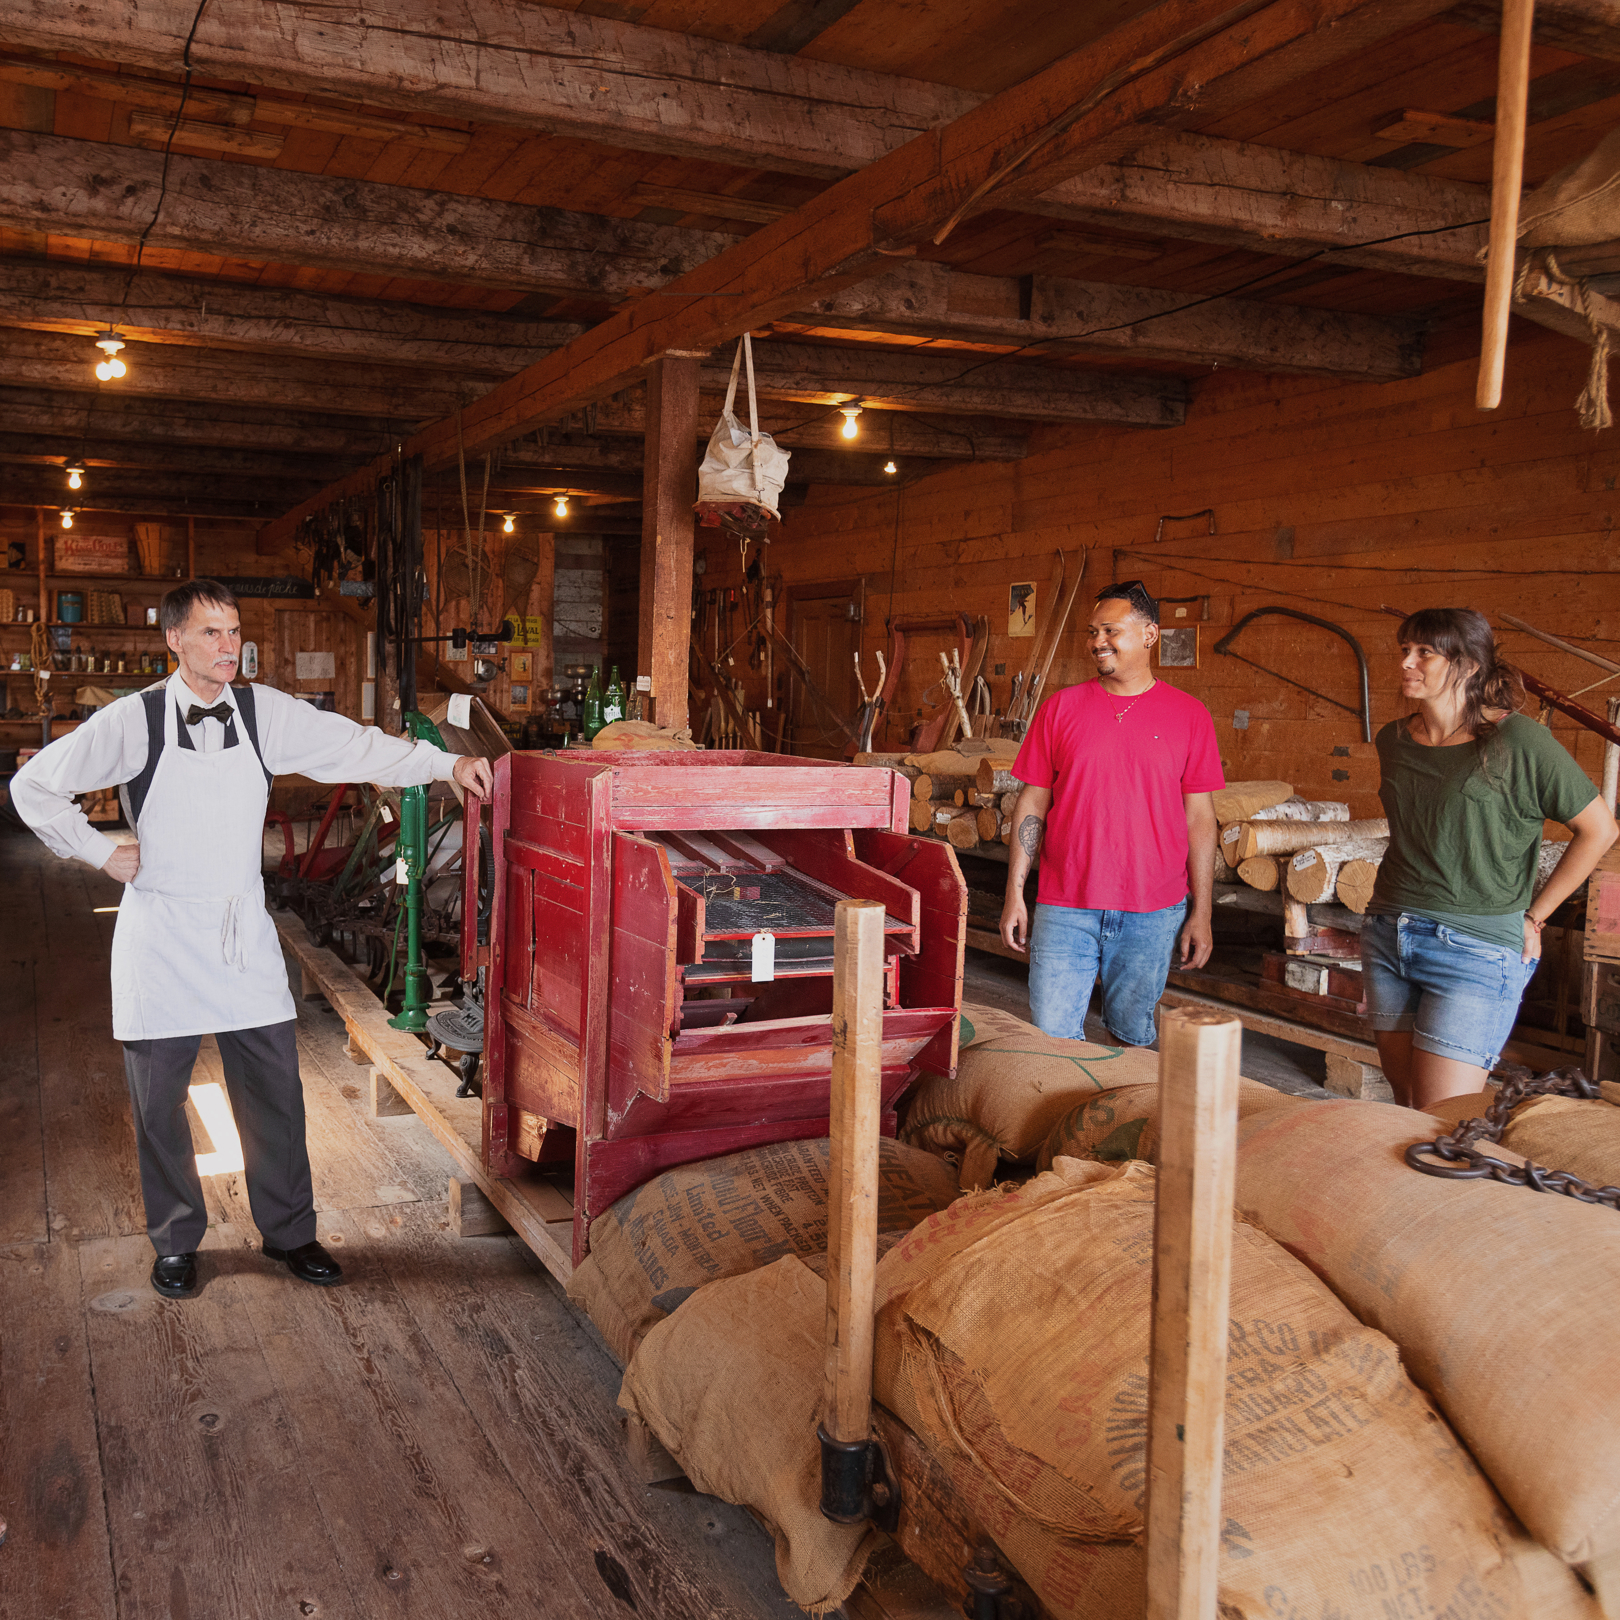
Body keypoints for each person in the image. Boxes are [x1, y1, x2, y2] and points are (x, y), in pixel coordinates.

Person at [12, 579, 494, 1298]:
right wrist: (97, 851)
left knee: (274, 1093)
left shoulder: (263, 712)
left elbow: (355, 748)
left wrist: (445, 765)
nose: (228, 645)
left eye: (233, 631)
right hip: (162, 937)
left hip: (241, 934)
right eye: (210, 632)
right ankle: (176, 1239)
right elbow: (33, 787)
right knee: (158, 1103)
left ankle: (291, 1232)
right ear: (173, 640)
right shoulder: (132, 720)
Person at [1364, 607, 1616, 1110]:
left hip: (1474, 948)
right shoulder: (1392, 739)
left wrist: (1536, 917)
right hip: (1388, 933)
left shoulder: (1519, 740)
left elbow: (1599, 829)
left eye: (1424, 653)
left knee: (1441, 1121)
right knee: (1406, 1103)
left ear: (1469, 666)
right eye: (1404, 651)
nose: (1406, 663)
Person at [999, 581, 1224, 1045]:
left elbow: (1200, 819)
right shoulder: (1060, 708)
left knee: (1131, 1038)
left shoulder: (1190, 715)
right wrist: (1015, 892)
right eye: (1092, 631)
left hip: (1154, 910)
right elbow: (1032, 801)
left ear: (1149, 635)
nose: (1097, 641)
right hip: (1066, 905)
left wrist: (1201, 911)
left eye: (1110, 630)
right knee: (1050, 1040)